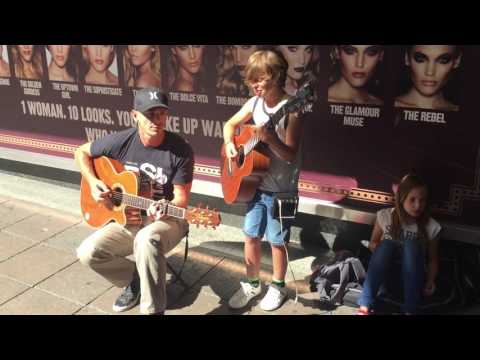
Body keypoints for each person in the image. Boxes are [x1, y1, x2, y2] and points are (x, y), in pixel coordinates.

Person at [75, 87, 194, 315]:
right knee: (88, 252)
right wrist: (92, 182)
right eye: (149, 114)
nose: (156, 120)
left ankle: (152, 310)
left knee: (147, 238)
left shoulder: (181, 150)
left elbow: (181, 199)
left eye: (160, 113)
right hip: (128, 218)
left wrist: (166, 207)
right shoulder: (123, 140)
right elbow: (81, 152)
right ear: (135, 115)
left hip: (167, 219)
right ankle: (136, 278)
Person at [223, 50, 304, 311]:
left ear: (277, 76)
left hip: (281, 190)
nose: (255, 86)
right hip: (255, 186)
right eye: (252, 81)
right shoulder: (254, 104)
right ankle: (252, 282)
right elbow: (229, 125)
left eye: (260, 80)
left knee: (277, 241)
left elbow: (290, 154)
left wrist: (270, 139)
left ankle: (278, 286)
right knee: (250, 236)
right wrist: (230, 146)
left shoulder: (292, 109)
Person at [357, 174, 441, 315]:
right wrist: (376, 246)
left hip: (413, 277)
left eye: (422, 200)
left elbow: (433, 259)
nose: (418, 206)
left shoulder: (431, 226)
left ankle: (410, 310)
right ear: (402, 198)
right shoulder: (385, 216)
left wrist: (431, 280)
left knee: (411, 245)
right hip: (386, 276)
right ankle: (365, 305)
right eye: (412, 200)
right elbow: (373, 243)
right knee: (386, 245)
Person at [395, 45, 462, 111]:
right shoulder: (386, 109)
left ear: (457, 61)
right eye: (420, 59)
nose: (430, 72)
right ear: (407, 58)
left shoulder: (465, 116)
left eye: (443, 61)